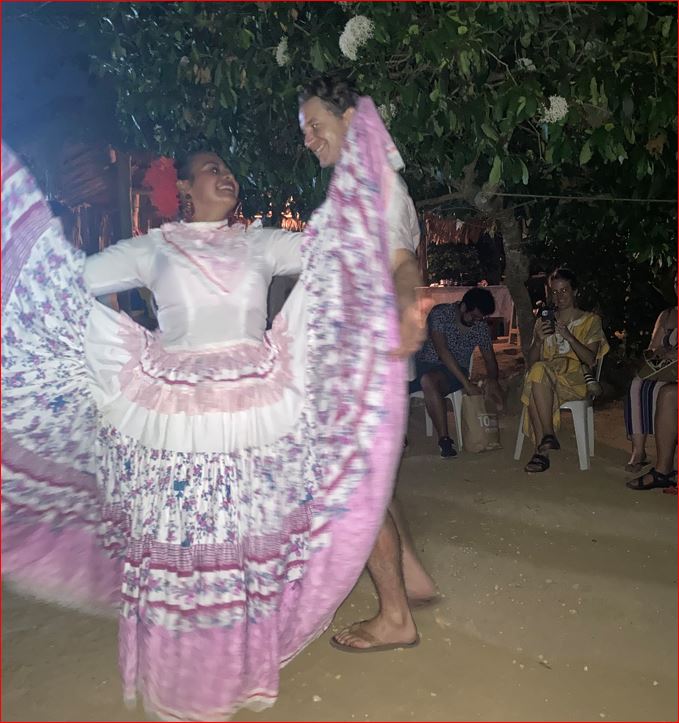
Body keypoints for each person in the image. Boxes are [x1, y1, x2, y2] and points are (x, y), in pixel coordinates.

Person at [1, 95, 418, 722]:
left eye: (228, 168)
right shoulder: (152, 248)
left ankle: (245, 657)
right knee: (191, 536)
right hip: (180, 414)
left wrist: (368, 182)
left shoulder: (261, 243)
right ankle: (189, 671)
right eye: (211, 168)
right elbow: (67, 284)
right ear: (183, 188)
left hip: (254, 403)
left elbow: (337, 250)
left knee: (243, 536)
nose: (226, 175)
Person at [299, 75, 435, 654]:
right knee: (372, 485)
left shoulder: (380, 185)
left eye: (315, 125)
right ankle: (415, 579)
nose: (308, 139)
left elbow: (403, 262)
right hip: (347, 363)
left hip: (366, 365)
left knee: (355, 492)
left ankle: (396, 617)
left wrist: (409, 306)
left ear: (350, 121)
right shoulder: (352, 190)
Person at [519, 267, 609, 473]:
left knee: (535, 383)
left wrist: (569, 336)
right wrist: (538, 341)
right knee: (537, 371)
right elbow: (531, 362)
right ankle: (548, 436)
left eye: (564, 290)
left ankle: (541, 450)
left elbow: (590, 359)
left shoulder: (590, 321)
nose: (559, 297)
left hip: (575, 380)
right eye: (554, 292)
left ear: (575, 291)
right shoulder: (544, 321)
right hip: (546, 377)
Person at [409, 288, 505, 458]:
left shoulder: (480, 326)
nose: (476, 321)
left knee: (428, 381)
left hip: (453, 373)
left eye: (480, 318)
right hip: (424, 364)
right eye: (473, 316)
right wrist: (467, 385)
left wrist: (492, 380)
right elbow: (442, 350)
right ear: (463, 307)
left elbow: (490, 359)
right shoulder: (440, 314)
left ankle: (444, 440)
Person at [624, 273, 677, 490]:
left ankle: (663, 464)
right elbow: (653, 347)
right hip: (666, 369)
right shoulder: (667, 315)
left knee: (663, 392)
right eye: (677, 282)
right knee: (638, 384)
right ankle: (639, 450)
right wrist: (658, 353)